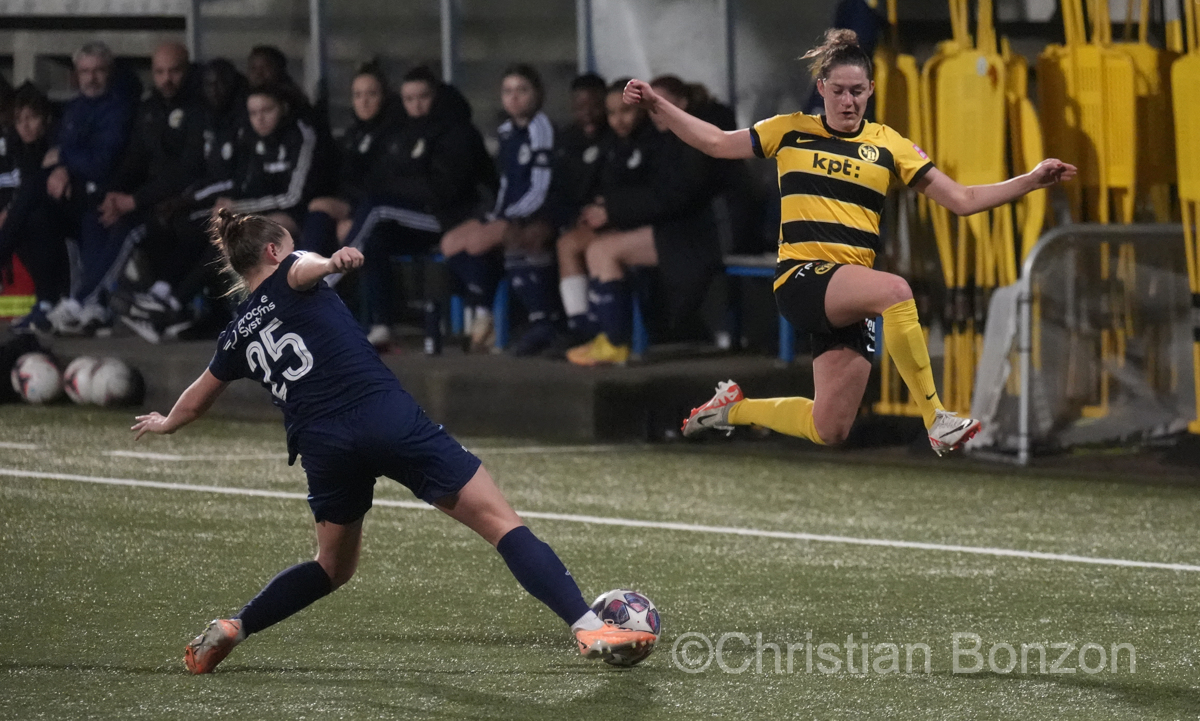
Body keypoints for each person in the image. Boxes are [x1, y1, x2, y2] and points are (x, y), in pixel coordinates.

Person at [131, 209, 656, 674]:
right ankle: (588, 626)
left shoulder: (236, 333)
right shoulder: (296, 270)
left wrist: (165, 422)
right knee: (500, 523)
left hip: (324, 446)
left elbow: (198, 399)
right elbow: (304, 269)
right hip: (383, 416)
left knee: (331, 567)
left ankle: (236, 626)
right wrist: (332, 262)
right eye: (289, 246)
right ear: (272, 251)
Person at [625, 29, 1076, 454]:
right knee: (896, 291)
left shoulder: (887, 144)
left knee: (830, 427)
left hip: (850, 292)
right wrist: (657, 104)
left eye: (857, 91)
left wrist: (1031, 181)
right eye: (838, 90)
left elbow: (960, 198)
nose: (848, 100)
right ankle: (936, 418)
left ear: (871, 90)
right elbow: (717, 142)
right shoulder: (791, 129)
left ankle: (732, 408)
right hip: (802, 279)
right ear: (821, 88)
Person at [563, 78, 724, 367]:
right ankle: (602, 336)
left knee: (604, 250)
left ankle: (614, 341)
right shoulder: (663, 139)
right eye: (652, 107)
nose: (656, 113)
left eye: (663, 105)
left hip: (697, 236)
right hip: (671, 227)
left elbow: (675, 197)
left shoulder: (695, 139)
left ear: (683, 105)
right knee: (590, 245)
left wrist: (613, 210)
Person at [345, 66, 495, 348]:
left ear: (435, 96)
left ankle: (327, 276)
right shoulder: (402, 132)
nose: (416, 105)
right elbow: (385, 176)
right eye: (408, 99)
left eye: (422, 97)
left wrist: (399, 185)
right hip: (420, 216)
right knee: (377, 238)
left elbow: (443, 190)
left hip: (454, 217)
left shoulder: (455, 131)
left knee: (377, 209)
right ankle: (382, 324)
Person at [440, 64, 555, 353]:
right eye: (508, 91)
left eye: (522, 90)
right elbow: (505, 183)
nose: (514, 98)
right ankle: (484, 313)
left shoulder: (541, 129)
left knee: (480, 242)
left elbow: (541, 186)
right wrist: (493, 216)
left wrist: (508, 218)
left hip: (534, 215)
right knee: (450, 243)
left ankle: (490, 318)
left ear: (537, 94)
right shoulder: (505, 133)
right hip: (507, 211)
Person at [103, 42, 208, 339]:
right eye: (160, 72)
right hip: (152, 198)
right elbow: (134, 158)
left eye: (174, 71)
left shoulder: (199, 108)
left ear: (187, 69)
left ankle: (94, 303)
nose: (167, 79)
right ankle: (152, 307)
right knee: (100, 214)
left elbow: (189, 169)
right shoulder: (150, 108)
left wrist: (134, 200)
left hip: (186, 198)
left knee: (135, 228)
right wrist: (113, 193)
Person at [40, 41, 139, 335]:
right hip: (77, 192)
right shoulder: (73, 109)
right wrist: (61, 167)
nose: (92, 78)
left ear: (110, 72)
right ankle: (65, 303)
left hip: (109, 191)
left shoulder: (120, 108)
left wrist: (64, 160)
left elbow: (100, 163)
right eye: (85, 71)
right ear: (76, 74)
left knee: (91, 215)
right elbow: (58, 154)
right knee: (42, 211)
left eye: (99, 71)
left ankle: (84, 304)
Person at [549, 72, 609, 347]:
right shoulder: (566, 140)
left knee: (569, 245)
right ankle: (561, 323)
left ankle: (583, 328)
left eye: (594, 106)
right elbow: (557, 189)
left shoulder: (615, 138)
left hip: (610, 221)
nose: (586, 113)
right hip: (574, 218)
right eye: (579, 106)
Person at [1, 83, 64, 332]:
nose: (25, 126)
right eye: (19, 120)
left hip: (66, 214)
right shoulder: (17, 147)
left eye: (31, 118)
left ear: (45, 119)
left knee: (33, 217)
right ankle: (45, 303)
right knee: (28, 221)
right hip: (30, 220)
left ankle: (48, 301)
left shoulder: (57, 141)